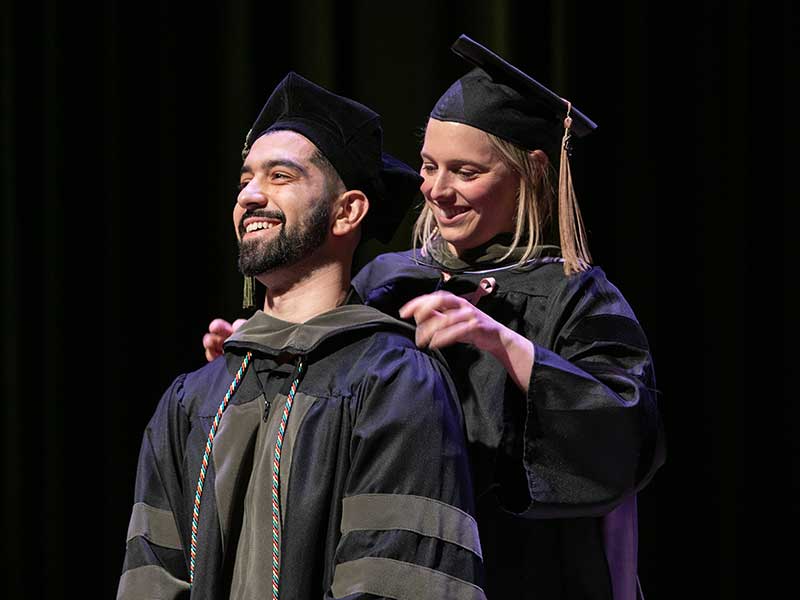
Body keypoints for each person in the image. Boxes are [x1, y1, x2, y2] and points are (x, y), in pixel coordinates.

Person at [203, 36, 665, 600]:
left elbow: (624, 443)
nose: (437, 191)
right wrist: (268, 354)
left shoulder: (578, 297)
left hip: (522, 576)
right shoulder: (388, 281)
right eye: (428, 167)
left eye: (465, 172)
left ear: (533, 173)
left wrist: (504, 344)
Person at [117, 71, 487, 600]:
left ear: (347, 211)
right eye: (245, 178)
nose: (249, 194)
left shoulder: (394, 383)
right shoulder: (192, 399)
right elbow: (150, 581)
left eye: (280, 176)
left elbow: (397, 581)